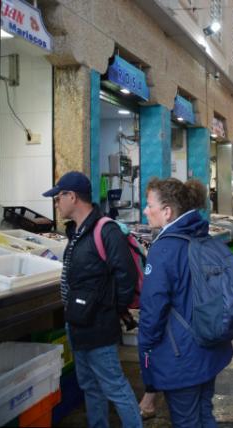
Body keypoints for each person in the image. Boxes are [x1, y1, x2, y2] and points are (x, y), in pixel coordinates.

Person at [42, 171, 142, 428]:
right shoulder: (75, 231)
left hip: (98, 327)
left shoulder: (105, 230)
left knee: (115, 386)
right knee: (89, 386)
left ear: (71, 196)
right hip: (76, 324)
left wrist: (110, 312)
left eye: (58, 197)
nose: (56, 203)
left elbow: (126, 278)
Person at [139, 177, 233, 427]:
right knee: (204, 413)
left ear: (167, 211)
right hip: (209, 347)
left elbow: (152, 312)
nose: (145, 211)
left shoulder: (164, 249)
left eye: (150, 205)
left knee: (187, 420)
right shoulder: (201, 235)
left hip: (181, 356)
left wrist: (146, 360)